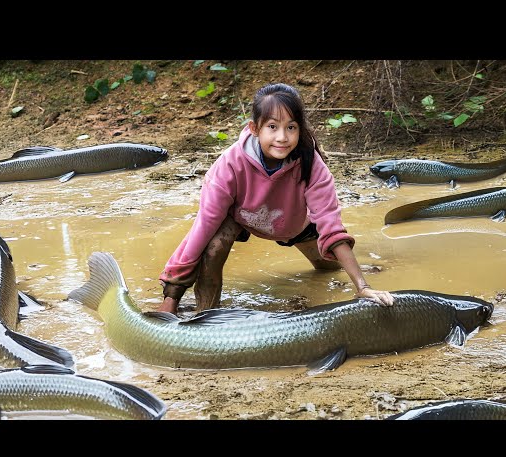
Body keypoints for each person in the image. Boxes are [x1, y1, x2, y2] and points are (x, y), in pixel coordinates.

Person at [158, 82, 394, 314]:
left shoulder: (311, 165)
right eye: (272, 126)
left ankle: (364, 268)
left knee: (329, 269)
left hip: (296, 225)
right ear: (254, 128)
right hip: (242, 219)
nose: (282, 137)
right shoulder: (230, 164)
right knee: (213, 244)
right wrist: (172, 297)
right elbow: (204, 225)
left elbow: (331, 226)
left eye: (291, 127)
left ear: (299, 129)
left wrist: (362, 286)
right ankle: (206, 315)